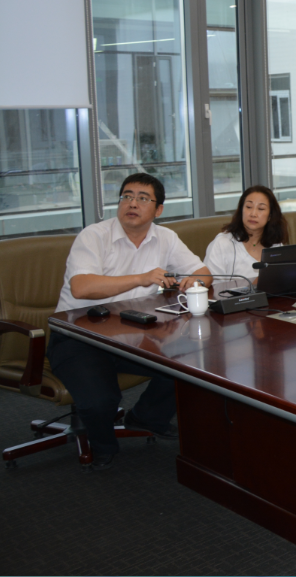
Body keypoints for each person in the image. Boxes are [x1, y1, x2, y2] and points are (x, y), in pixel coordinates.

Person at [50, 173, 212, 470]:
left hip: (133, 334)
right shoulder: (94, 236)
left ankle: (146, 417)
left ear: (158, 209)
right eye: (127, 196)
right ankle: (102, 447)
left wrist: (193, 281)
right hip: (79, 336)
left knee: (191, 366)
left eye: (142, 198)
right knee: (101, 400)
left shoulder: (165, 237)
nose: (132, 203)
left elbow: (203, 272)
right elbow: (81, 288)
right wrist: (141, 278)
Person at [202, 185, 288, 285]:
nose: (253, 214)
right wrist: (251, 286)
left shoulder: (276, 245)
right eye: (248, 207)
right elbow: (212, 288)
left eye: (261, 208)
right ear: (241, 210)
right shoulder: (222, 243)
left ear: (270, 216)